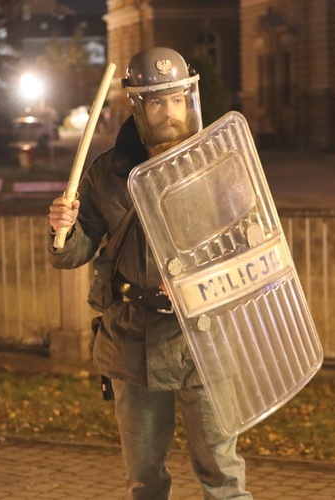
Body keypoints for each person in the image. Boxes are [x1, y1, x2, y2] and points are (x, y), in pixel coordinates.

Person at [48, 47, 251, 499]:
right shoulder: (107, 173)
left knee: (222, 475)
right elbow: (73, 252)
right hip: (132, 341)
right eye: (158, 101)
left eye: (178, 99)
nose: (170, 111)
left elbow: (251, 245)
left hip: (205, 337)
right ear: (138, 105)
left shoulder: (220, 166)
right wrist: (63, 230)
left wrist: (201, 281)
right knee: (145, 479)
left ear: (190, 99)